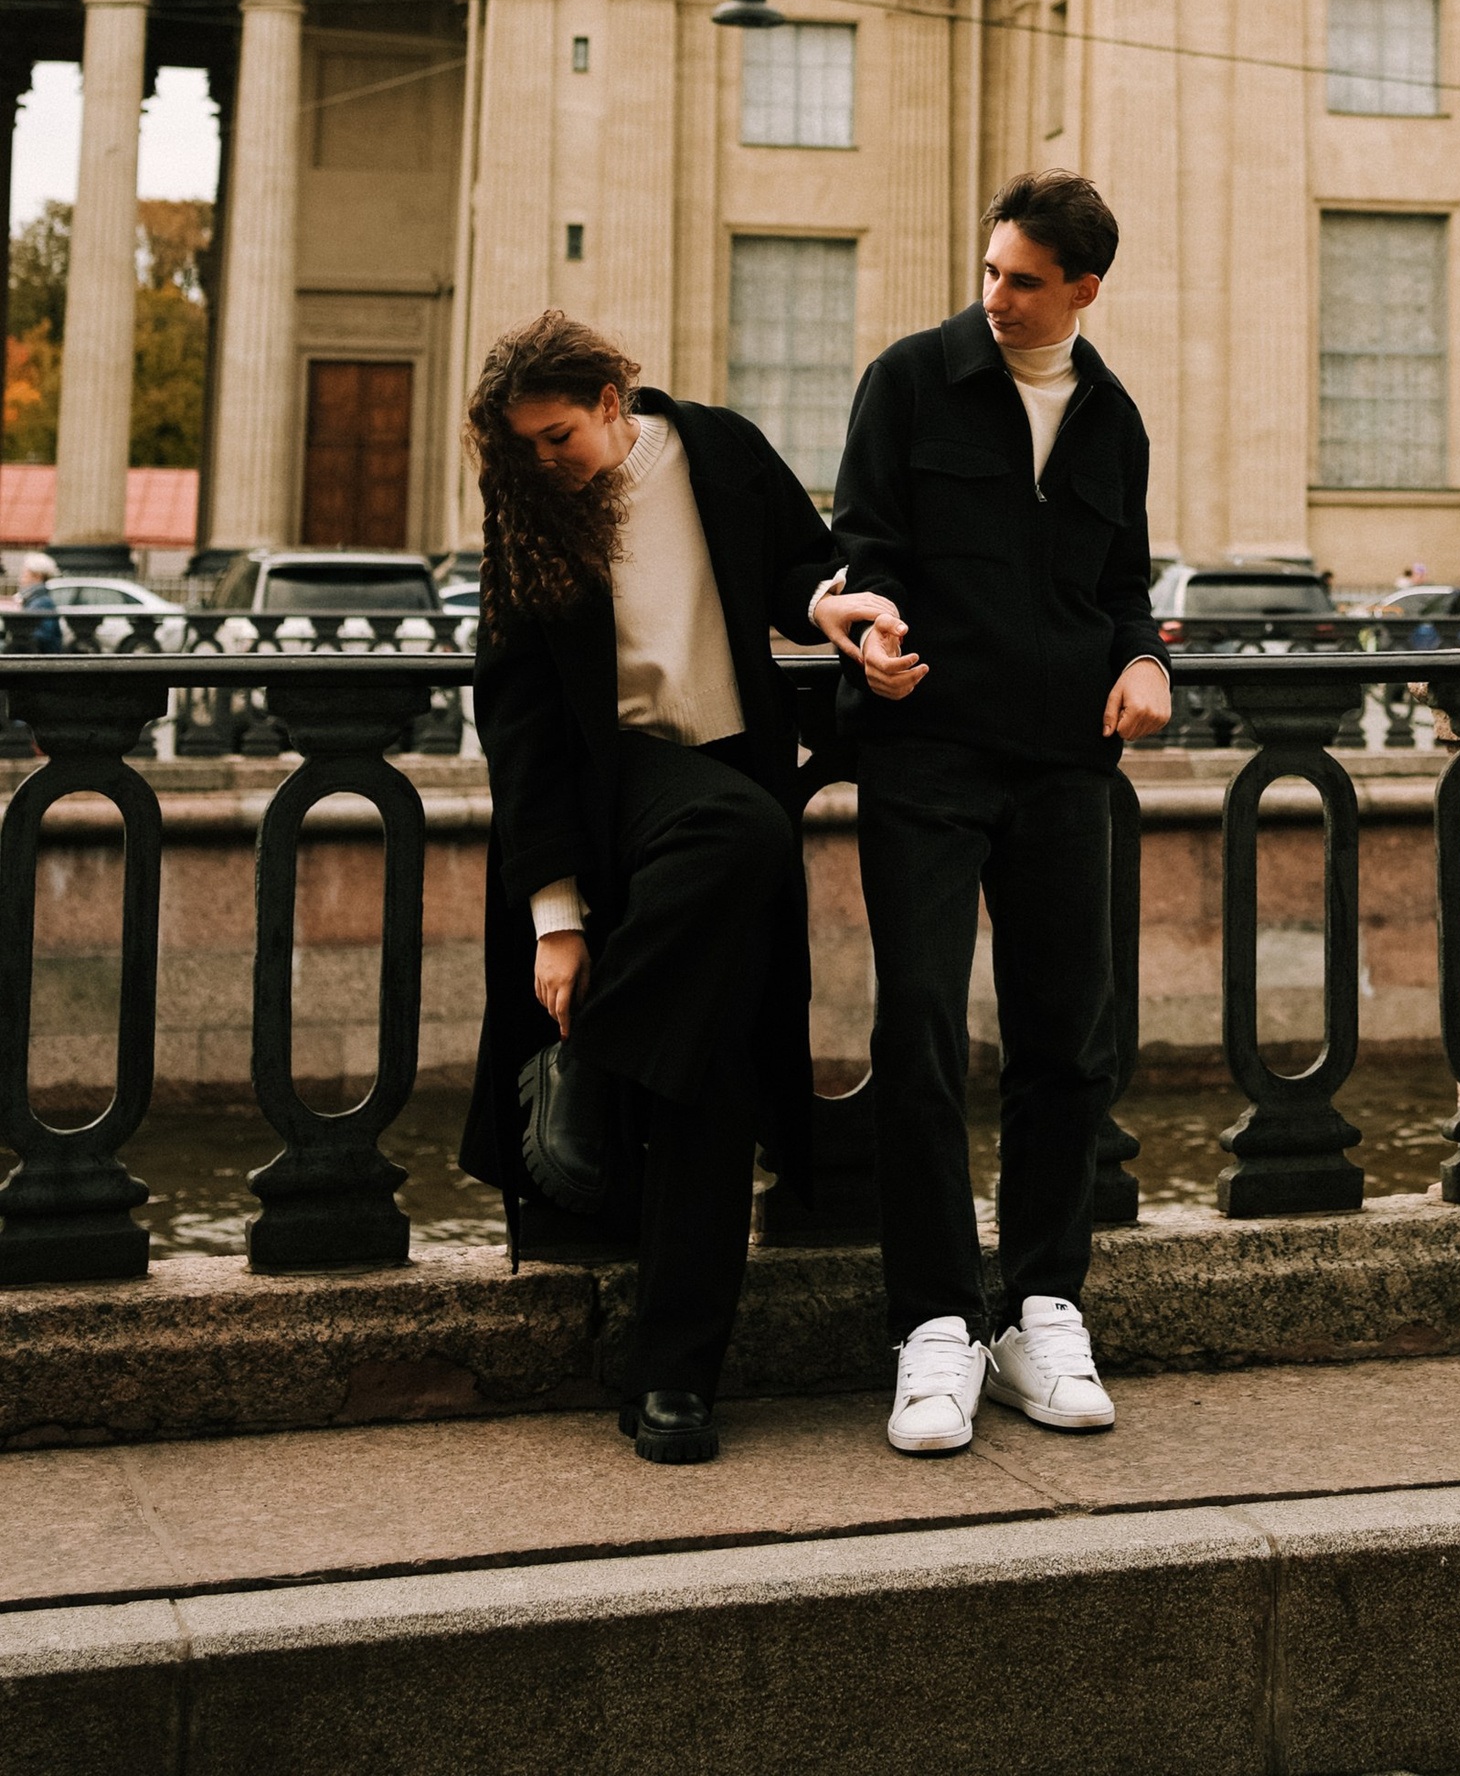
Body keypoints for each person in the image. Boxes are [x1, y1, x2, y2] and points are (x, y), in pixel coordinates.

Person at [458, 309, 897, 1468]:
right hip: (620, 795)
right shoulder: (531, 505)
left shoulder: (718, 448)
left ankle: (673, 1384)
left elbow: (799, 568)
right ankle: (598, 1071)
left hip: (723, 783)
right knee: (744, 826)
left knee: (712, 1085)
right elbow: (518, 722)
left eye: (558, 435)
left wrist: (836, 613)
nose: (545, 461)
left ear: (611, 397)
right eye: (526, 447)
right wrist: (556, 922)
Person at [814, 171, 1172, 1457]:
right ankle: (932, 1329)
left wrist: (1145, 661)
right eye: (990, 273)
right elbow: (864, 547)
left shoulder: (1114, 416)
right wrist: (876, 628)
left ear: (1084, 287)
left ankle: (1039, 1306)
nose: (998, 299)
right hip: (926, 753)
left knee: (1067, 1042)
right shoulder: (910, 381)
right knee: (915, 1029)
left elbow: (1122, 584)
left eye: (1025, 281)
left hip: (1067, 765)